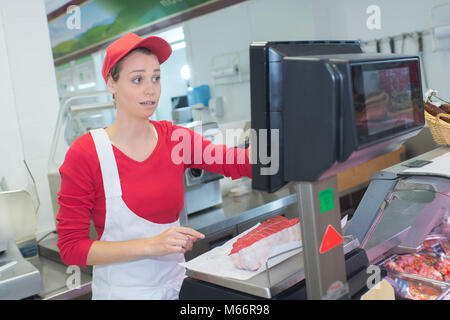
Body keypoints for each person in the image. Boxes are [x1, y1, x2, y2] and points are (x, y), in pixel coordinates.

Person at [56, 33, 252, 300]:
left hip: (175, 288)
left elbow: (237, 162)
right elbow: (71, 247)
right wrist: (150, 245)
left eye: (156, 77)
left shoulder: (175, 139)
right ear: (111, 84)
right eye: (138, 79)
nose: (151, 89)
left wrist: (285, 145)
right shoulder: (86, 154)